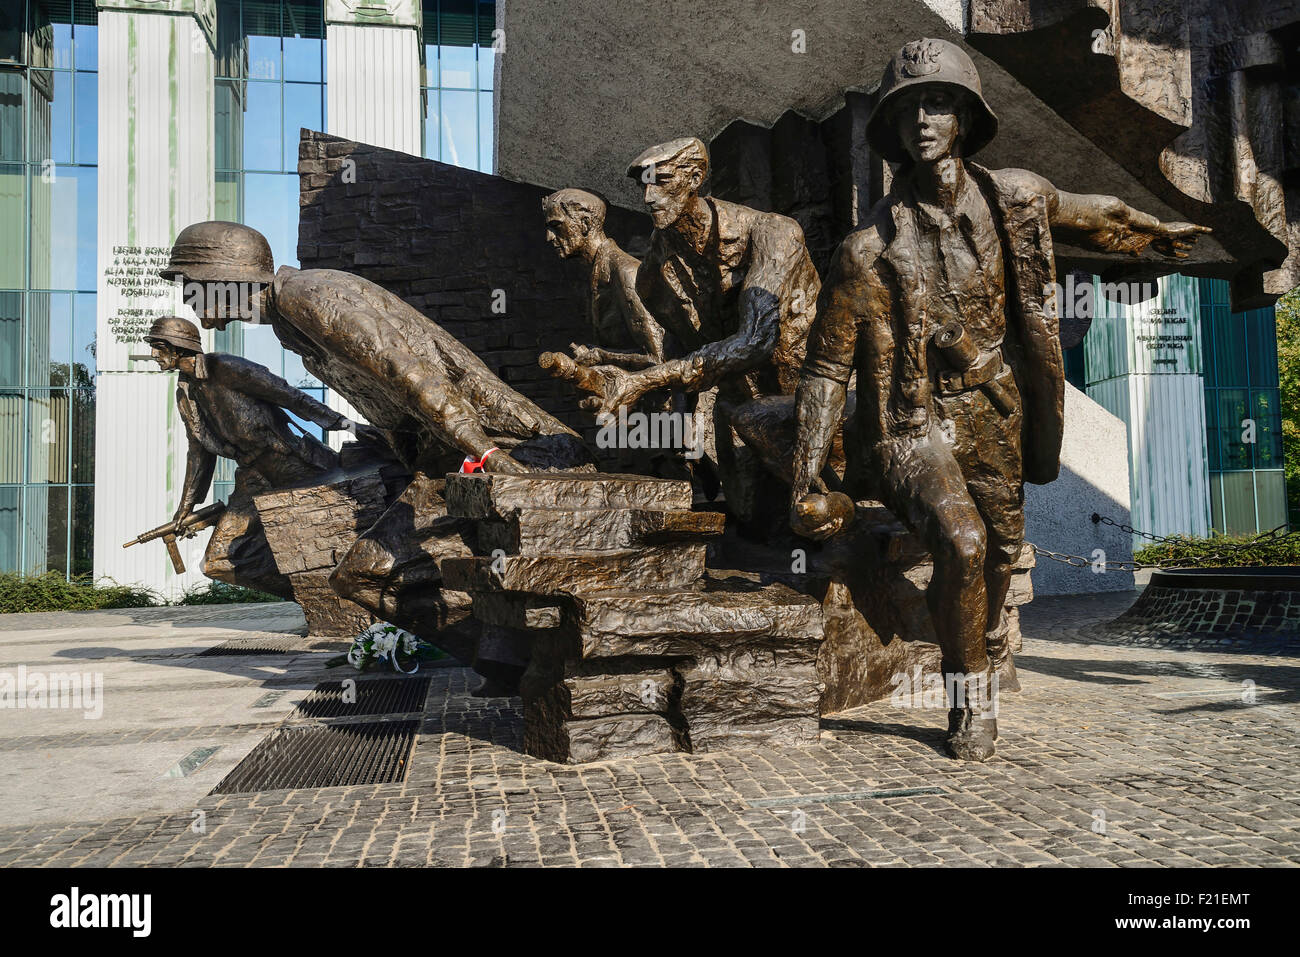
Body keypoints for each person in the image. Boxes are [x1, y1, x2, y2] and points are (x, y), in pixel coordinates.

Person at [790, 38, 1210, 761]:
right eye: (909, 107)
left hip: (998, 408)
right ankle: (968, 702)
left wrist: (1153, 232)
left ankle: (975, 646)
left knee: (997, 557)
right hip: (911, 423)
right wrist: (805, 477)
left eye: (939, 102)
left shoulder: (1014, 197)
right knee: (963, 540)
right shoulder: (863, 253)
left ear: (965, 118)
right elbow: (826, 370)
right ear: (891, 129)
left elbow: (1091, 214)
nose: (924, 118)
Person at [159, 223, 592, 691]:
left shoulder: (306, 296)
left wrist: (485, 451)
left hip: (510, 450)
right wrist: (389, 442)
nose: (188, 302)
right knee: (367, 576)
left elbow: (406, 373)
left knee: (365, 574)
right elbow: (392, 395)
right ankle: (513, 662)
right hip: (454, 458)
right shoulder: (293, 313)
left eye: (189, 285)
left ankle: (524, 663)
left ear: (222, 276)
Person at [144, 316, 346, 598]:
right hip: (252, 476)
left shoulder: (226, 367)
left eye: (158, 347)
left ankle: (335, 593)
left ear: (177, 348)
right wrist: (185, 508)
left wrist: (343, 423)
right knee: (218, 562)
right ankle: (319, 595)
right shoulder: (185, 392)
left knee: (329, 536)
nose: (153, 355)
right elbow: (198, 452)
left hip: (292, 465)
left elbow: (289, 395)